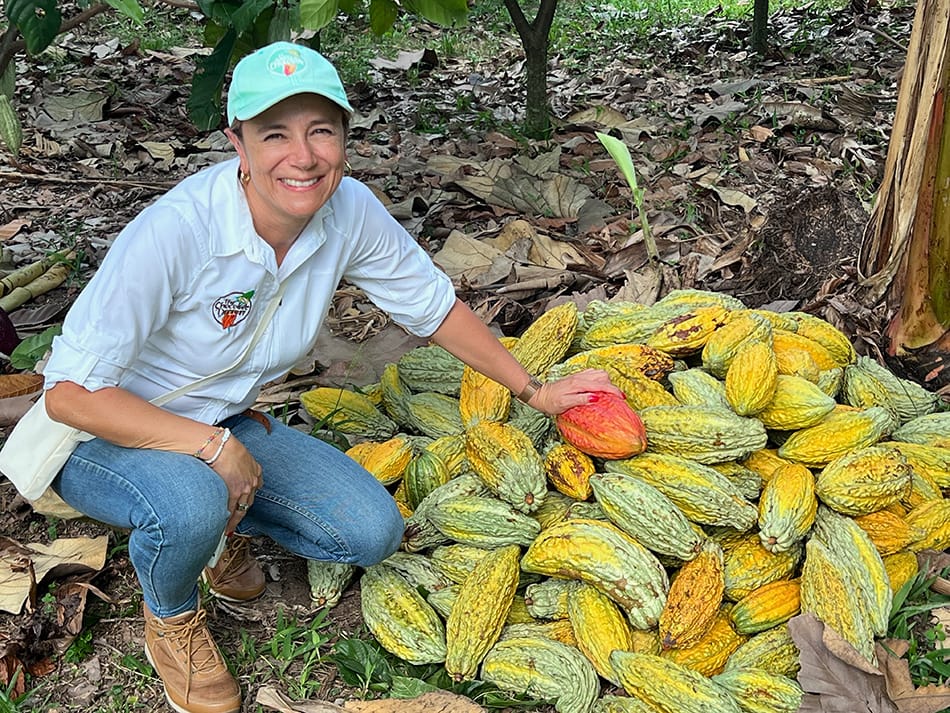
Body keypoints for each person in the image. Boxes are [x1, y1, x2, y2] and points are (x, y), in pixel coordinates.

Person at [40, 41, 621, 713]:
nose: (304, 155)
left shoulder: (348, 211)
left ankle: (209, 535)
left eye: (321, 129)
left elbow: (433, 309)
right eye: (275, 134)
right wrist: (214, 448)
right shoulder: (176, 231)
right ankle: (171, 616)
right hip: (97, 435)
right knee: (191, 499)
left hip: (217, 420)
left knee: (368, 531)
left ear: (345, 136)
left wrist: (535, 390)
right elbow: (69, 395)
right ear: (238, 144)